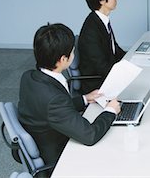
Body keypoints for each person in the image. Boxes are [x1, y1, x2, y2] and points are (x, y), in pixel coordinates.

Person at [18, 23, 120, 171]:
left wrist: (84, 99)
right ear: (63, 59)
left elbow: (50, 109)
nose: (74, 53)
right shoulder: (54, 100)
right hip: (60, 154)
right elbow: (89, 136)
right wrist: (110, 111)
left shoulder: (29, 76)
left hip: (47, 134)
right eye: (72, 51)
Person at [78, 0, 126, 94]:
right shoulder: (91, 29)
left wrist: (131, 60)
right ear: (102, 1)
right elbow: (101, 66)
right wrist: (124, 75)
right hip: (97, 83)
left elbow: (115, 49)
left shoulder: (101, 20)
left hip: (107, 74)